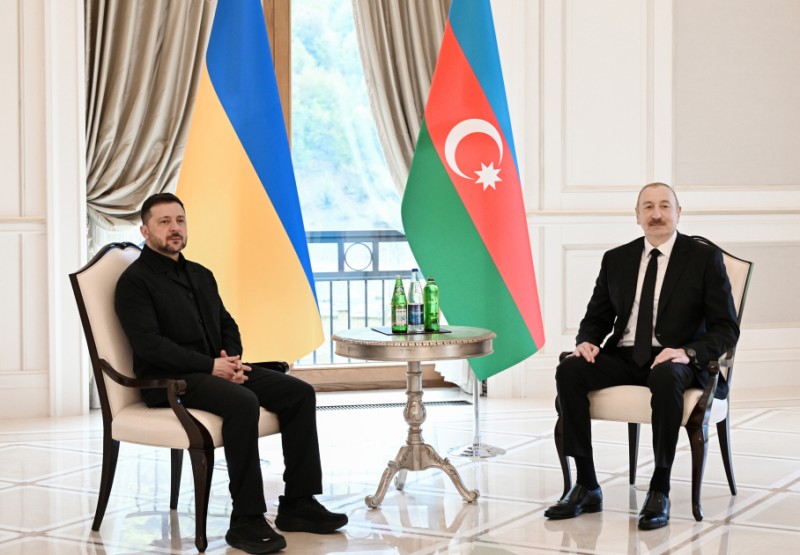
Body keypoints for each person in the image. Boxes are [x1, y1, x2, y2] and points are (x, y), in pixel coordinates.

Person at [115, 193, 347, 554]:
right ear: (145, 231)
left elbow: (227, 323)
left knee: (299, 393)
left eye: (180, 220)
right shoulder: (135, 282)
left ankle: (298, 504)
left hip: (218, 369)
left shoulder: (200, 274)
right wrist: (211, 366)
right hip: (170, 380)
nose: (175, 228)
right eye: (164, 222)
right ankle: (246, 519)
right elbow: (150, 346)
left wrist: (232, 361)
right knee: (243, 402)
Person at [545, 183, 739, 530]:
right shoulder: (617, 259)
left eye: (665, 206)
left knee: (666, 376)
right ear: (637, 216)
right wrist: (587, 341)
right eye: (647, 207)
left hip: (676, 358)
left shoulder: (703, 259)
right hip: (624, 355)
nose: (656, 214)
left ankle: (660, 488)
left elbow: (726, 327)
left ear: (679, 213)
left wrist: (688, 352)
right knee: (569, 370)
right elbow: (597, 317)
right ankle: (587, 485)